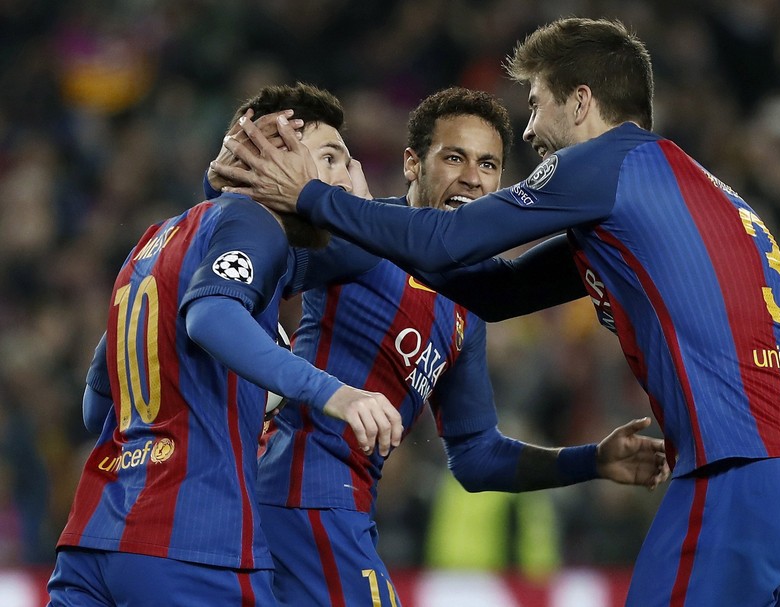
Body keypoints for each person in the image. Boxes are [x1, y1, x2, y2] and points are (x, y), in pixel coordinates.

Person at [213, 18, 780, 607]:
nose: (528, 131)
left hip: (741, 478)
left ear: (579, 102)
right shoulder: (678, 192)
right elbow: (495, 289)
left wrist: (309, 193)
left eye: (535, 104)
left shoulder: (607, 163)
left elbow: (442, 243)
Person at [211, 86, 669, 607]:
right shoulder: (358, 235)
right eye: (454, 157)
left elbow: (476, 456)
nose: (472, 177)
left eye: (489, 165)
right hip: (301, 500)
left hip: (345, 514)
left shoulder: (468, 310)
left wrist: (592, 460)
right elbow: (254, 260)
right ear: (412, 163)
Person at [47, 83, 403, 607]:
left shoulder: (153, 242)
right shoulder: (252, 221)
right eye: (330, 158)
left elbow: (95, 404)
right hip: (192, 546)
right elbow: (212, 318)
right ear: (272, 154)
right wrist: (337, 394)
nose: (343, 182)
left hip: (92, 540)